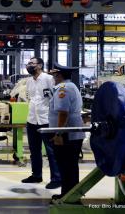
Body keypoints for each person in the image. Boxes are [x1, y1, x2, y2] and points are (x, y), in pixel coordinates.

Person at [21, 57, 61, 189]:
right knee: (34, 150)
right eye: (28, 63)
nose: (29, 65)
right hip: (32, 119)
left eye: (31, 63)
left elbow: (55, 98)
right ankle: (36, 175)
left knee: (51, 151)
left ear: (40, 65)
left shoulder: (49, 79)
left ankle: (56, 178)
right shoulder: (29, 81)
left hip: (46, 120)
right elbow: (30, 98)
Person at [48, 63, 85, 201]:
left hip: (67, 134)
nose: (53, 78)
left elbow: (63, 113)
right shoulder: (70, 86)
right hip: (70, 133)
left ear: (59, 75)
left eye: (54, 75)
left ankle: (70, 197)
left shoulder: (63, 89)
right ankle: (69, 195)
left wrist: (58, 134)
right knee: (69, 166)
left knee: (67, 166)